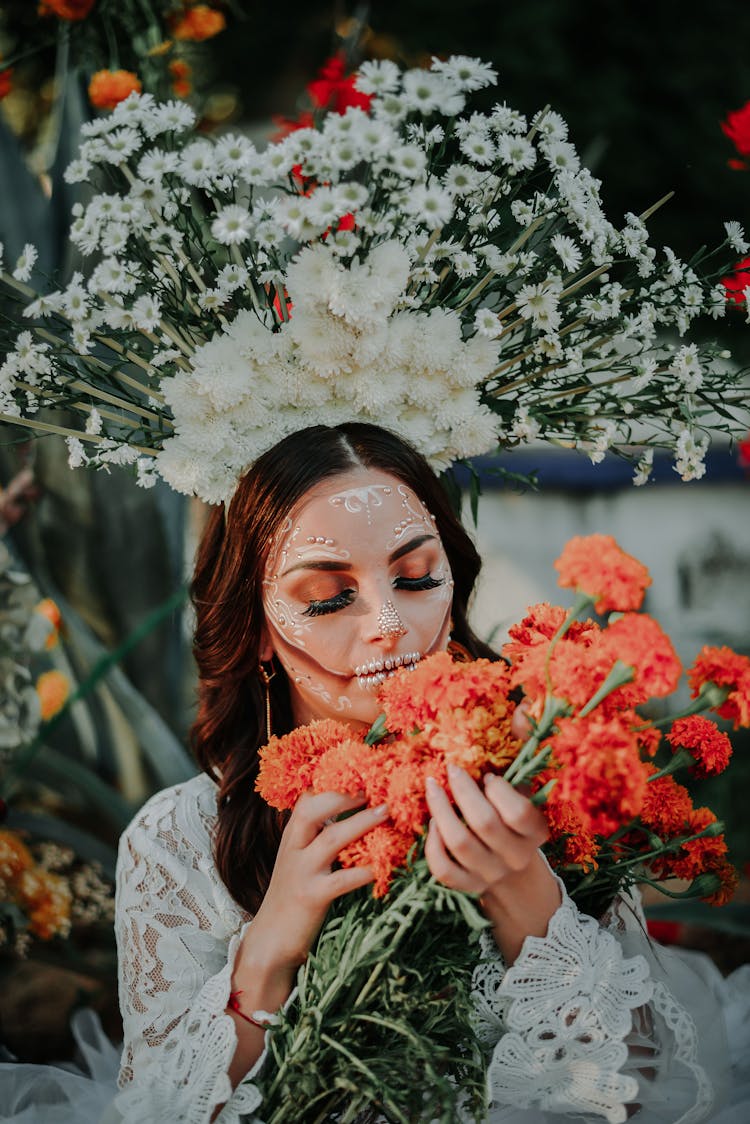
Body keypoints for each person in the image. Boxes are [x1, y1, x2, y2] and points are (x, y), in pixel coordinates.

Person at [1, 423, 748, 1124]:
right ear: (258, 630)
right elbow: (160, 1111)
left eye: (418, 578)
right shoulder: (179, 839)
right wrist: (271, 948)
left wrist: (525, 894)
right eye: (328, 594)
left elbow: (648, 1095)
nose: (390, 621)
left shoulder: (546, 788)